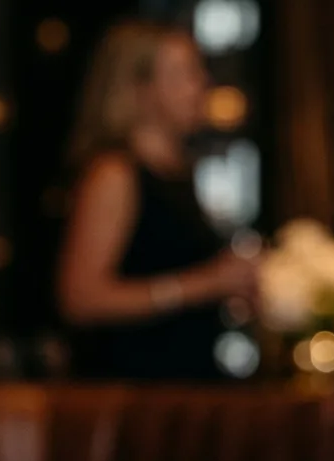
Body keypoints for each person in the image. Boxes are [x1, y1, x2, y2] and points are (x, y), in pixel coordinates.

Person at [57, 20, 257, 381]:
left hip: (184, 388)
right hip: (132, 395)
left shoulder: (179, 173)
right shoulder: (114, 173)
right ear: (140, 89)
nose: (201, 86)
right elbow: (80, 298)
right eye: (184, 73)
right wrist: (203, 285)